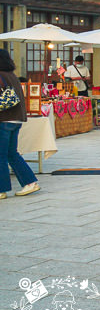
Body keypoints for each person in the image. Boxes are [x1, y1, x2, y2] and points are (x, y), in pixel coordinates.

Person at [0, 49, 40, 198]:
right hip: (16, 119)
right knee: (11, 154)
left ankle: (1, 189)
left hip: (3, 119)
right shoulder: (12, 76)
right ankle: (30, 183)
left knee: (1, 155)